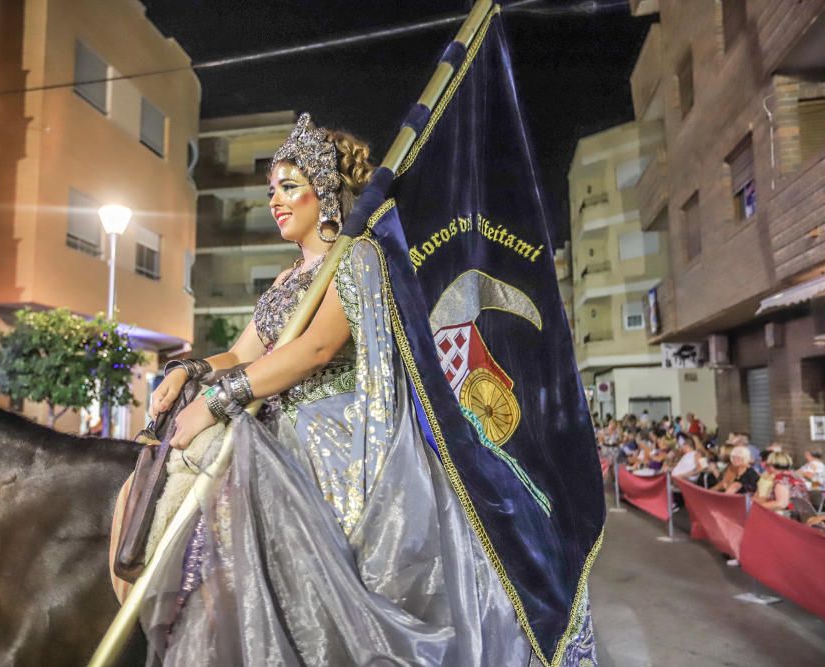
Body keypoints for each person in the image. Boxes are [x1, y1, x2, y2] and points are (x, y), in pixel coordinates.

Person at [140, 114, 562, 665]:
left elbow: (314, 348)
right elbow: (244, 354)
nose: (276, 200)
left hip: (332, 441)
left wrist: (218, 402)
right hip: (269, 420)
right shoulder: (285, 278)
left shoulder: (356, 257)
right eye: (272, 191)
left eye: (290, 187)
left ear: (326, 191)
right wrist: (191, 371)